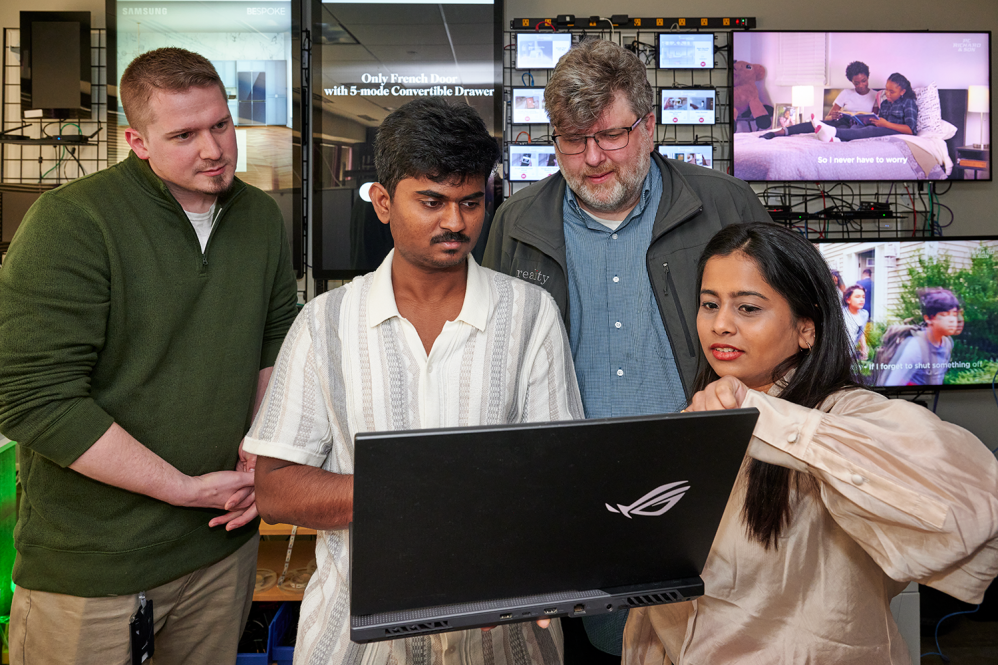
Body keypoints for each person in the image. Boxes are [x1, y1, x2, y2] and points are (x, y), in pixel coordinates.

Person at [244, 97, 584, 665]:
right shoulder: (325, 323)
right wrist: (406, 496)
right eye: (432, 202)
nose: (455, 222)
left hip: (503, 641)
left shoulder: (530, 315)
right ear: (382, 202)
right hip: (357, 645)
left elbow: (560, 474)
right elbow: (274, 486)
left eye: (471, 202)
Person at [0, 47, 299, 664]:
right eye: (184, 134)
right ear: (136, 140)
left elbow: (276, 339)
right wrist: (184, 489)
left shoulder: (261, 218)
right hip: (97, 570)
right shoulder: (73, 222)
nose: (214, 150)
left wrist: (259, 453)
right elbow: (30, 397)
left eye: (220, 125)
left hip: (223, 550)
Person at [483, 36, 772, 660]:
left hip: (707, 494)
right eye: (570, 139)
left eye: (611, 136)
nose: (592, 159)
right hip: (569, 502)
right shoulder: (515, 222)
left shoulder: (727, 206)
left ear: (650, 125)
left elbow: (786, 341)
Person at [623, 222, 998, 664]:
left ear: (807, 328)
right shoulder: (693, 423)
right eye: (709, 305)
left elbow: (968, 507)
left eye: (747, 308)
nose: (720, 325)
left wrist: (761, 419)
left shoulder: (849, 415)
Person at [764, 72, 917, 142]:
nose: (887, 94)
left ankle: (833, 134)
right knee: (846, 126)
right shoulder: (884, 102)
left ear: (902, 91)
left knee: (867, 131)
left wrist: (883, 123)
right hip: (850, 122)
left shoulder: (907, 102)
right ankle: (784, 131)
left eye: (892, 91)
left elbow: (911, 129)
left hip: (890, 128)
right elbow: (878, 118)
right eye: (886, 90)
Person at [881, 287, 962, 386]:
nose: (952, 320)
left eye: (954, 314)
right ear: (928, 319)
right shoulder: (915, 347)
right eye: (944, 315)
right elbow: (890, 385)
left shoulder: (947, 343)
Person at [825, 60, 880, 125]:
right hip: (845, 125)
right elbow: (826, 118)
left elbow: (875, 120)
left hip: (863, 128)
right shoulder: (845, 93)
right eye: (856, 83)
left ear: (868, 77)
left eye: (864, 81)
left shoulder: (876, 95)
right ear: (852, 82)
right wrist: (832, 117)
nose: (861, 85)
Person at [842, 284, 869, 358]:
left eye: (863, 297)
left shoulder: (864, 314)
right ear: (848, 300)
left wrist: (864, 347)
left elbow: (861, 332)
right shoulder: (841, 314)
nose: (861, 300)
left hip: (850, 352)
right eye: (857, 297)